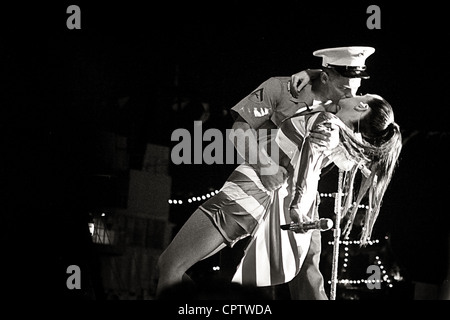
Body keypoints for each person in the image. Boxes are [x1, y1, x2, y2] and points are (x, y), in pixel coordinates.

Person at [156, 91, 402, 298]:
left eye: (361, 94)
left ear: (362, 105)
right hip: (256, 202)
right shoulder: (338, 135)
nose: (353, 92)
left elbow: (307, 164)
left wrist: (296, 204)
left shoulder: (327, 123)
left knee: (170, 266)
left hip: (244, 195)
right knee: (173, 267)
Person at [227, 46, 376, 300]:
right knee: (245, 273)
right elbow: (239, 130)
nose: (350, 95)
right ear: (327, 77)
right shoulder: (282, 88)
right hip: (256, 189)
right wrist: (266, 169)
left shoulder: (348, 108)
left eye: (355, 87)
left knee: (308, 274)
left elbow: (349, 161)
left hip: (303, 198)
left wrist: (337, 144)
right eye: (344, 88)